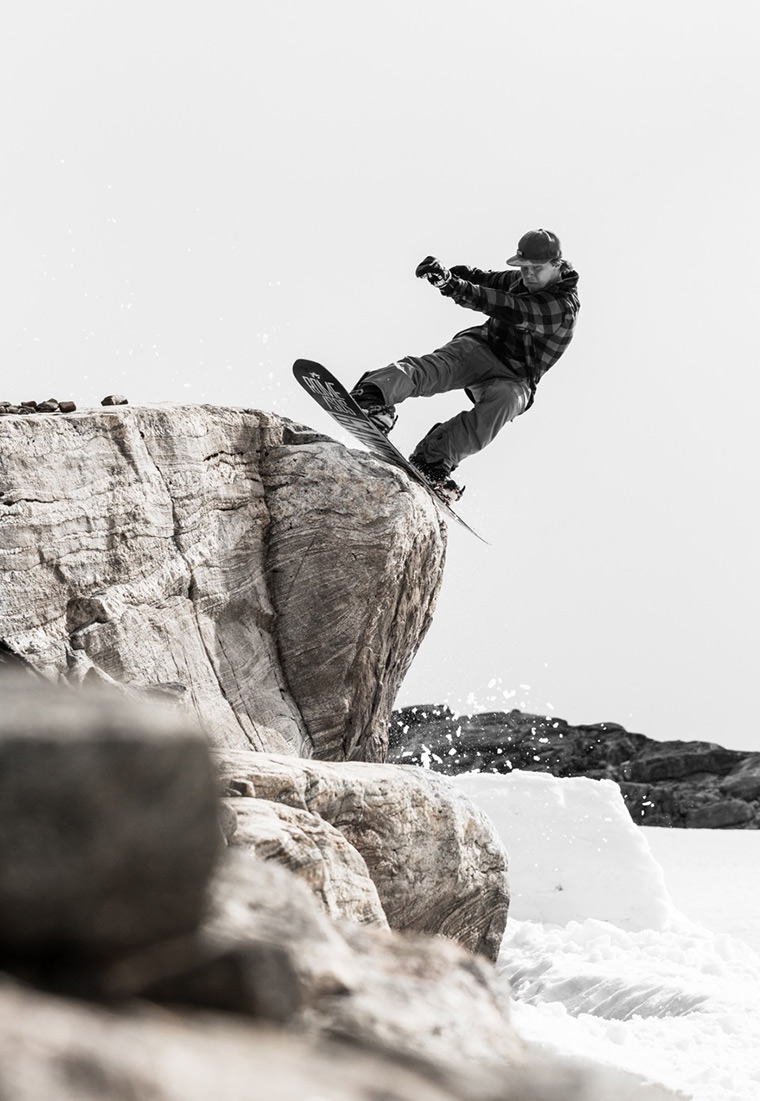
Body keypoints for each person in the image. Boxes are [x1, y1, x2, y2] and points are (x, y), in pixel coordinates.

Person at [351, 228, 580, 502]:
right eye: (523, 267)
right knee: (436, 369)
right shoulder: (522, 280)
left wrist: (453, 287)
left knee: (504, 404)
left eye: (536, 268)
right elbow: (486, 280)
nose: (528, 274)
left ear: (557, 265)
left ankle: (434, 460)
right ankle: (373, 396)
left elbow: (506, 305)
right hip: (483, 347)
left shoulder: (560, 309)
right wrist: (450, 273)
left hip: (515, 378)